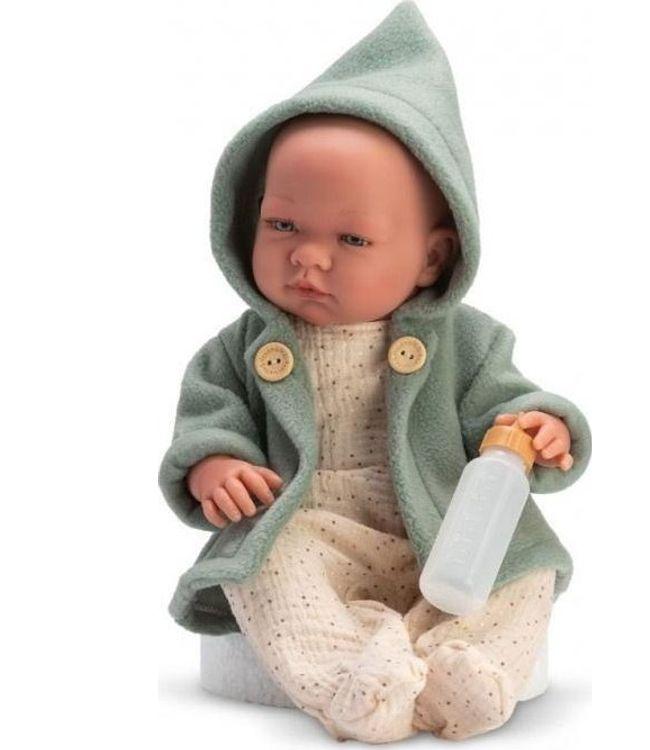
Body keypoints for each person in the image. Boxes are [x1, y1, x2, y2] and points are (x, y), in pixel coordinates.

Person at [159, 2, 591, 743]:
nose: (308, 256)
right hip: (309, 525)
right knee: (265, 565)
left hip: (441, 524)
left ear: (432, 256)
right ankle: (354, 682)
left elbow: (506, 407)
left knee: (524, 567)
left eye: (352, 238)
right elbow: (209, 416)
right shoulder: (237, 349)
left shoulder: (467, 341)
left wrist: (541, 426)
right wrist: (214, 464)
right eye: (282, 224)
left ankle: (466, 669)